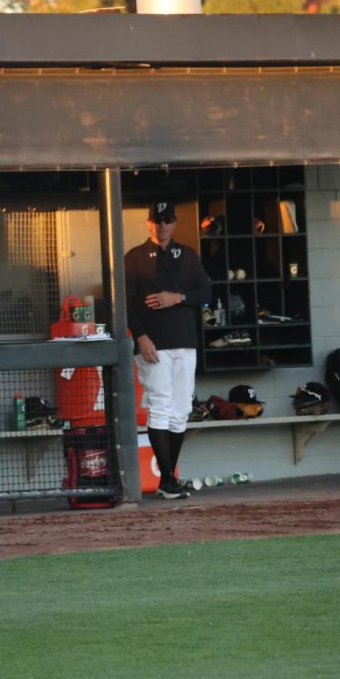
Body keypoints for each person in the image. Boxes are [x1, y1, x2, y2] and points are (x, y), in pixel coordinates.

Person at [125, 200, 213, 500]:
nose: (162, 225)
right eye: (156, 220)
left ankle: (167, 479)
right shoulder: (135, 257)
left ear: (174, 223)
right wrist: (141, 337)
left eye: (167, 220)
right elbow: (124, 302)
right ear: (149, 222)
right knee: (160, 406)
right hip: (154, 344)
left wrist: (177, 297)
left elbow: (206, 291)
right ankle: (168, 479)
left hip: (185, 342)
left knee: (181, 410)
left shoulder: (187, 254)